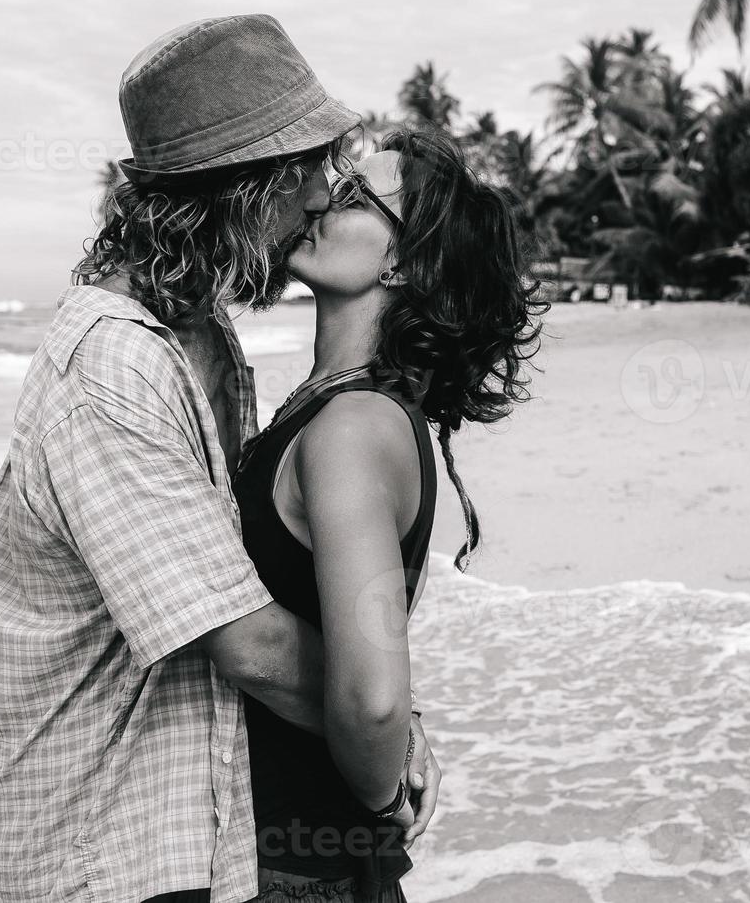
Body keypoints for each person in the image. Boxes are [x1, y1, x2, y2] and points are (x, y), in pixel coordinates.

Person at [0, 15, 441, 903]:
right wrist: (382, 724)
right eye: (307, 169)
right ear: (245, 189)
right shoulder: (113, 367)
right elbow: (250, 642)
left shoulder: (204, 339)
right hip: (107, 843)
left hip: (189, 831)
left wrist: (377, 719)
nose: (318, 195)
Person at [233, 130, 544, 902]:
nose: (317, 199)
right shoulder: (348, 413)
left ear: (404, 262)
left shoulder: (351, 428)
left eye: (351, 195)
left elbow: (372, 697)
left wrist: (382, 798)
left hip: (298, 872)